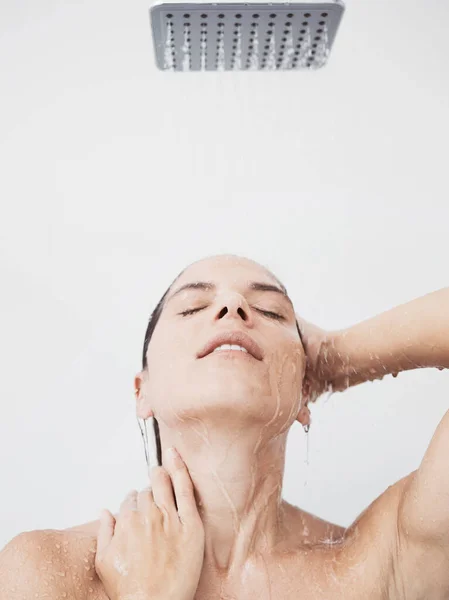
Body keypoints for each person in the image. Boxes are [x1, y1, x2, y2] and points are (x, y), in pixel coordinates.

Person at [0, 253, 448, 600]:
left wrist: (336, 357)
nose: (233, 306)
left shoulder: (382, 562)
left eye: (273, 312)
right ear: (143, 390)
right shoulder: (49, 570)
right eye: (193, 306)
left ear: (303, 393)